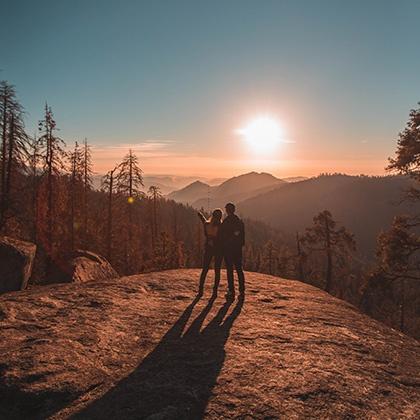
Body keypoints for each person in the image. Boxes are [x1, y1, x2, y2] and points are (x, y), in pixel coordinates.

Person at [220, 202, 245, 300]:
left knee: (230, 270)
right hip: (237, 249)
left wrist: (224, 246)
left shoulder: (226, 222)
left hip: (228, 250)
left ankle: (231, 291)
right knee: (239, 269)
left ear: (227, 210)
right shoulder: (239, 221)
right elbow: (242, 236)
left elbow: (221, 236)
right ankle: (242, 291)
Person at [197, 208, 223, 296]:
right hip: (219, 249)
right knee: (217, 270)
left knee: (205, 269)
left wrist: (201, 216)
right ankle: (215, 291)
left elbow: (204, 221)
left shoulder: (207, 225)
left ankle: (201, 289)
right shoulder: (221, 226)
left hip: (209, 248)